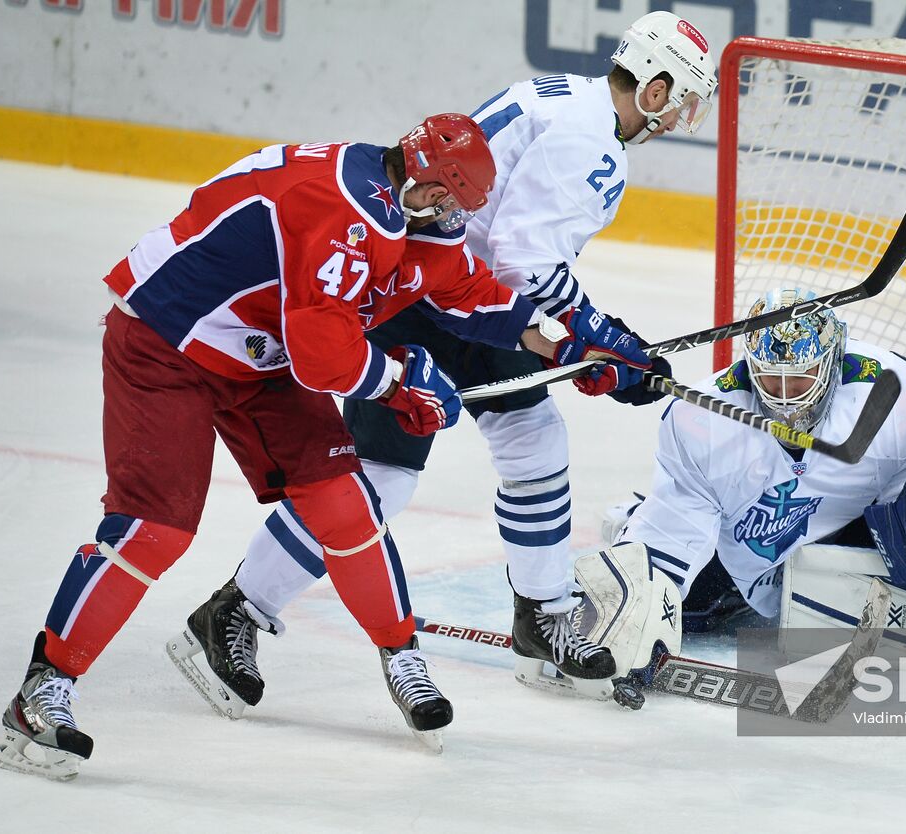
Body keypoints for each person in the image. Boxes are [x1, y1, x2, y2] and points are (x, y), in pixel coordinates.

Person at [0, 113, 649, 780]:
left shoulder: (405, 205)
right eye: (453, 205)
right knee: (153, 528)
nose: (457, 221)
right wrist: (400, 383)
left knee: (347, 507)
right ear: (428, 187)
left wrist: (568, 343)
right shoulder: (341, 210)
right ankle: (43, 692)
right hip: (168, 336)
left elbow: (471, 294)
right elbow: (319, 357)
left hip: (258, 351)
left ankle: (402, 660)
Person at [177, 10, 719, 701]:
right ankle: (235, 609)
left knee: (534, 440)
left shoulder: (563, 97)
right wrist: (596, 331)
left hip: (468, 294)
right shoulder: (592, 141)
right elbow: (524, 261)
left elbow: (507, 254)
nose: (679, 116)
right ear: (653, 86)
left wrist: (589, 338)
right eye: (681, 98)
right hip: (426, 295)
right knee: (380, 476)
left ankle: (542, 615)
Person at [611, 287, 906, 626]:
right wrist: (638, 606)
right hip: (746, 558)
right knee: (687, 612)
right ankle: (629, 521)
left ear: (832, 362)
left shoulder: (896, 395)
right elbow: (676, 520)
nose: (785, 397)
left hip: (851, 534)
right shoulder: (700, 419)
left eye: (801, 377)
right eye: (772, 378)